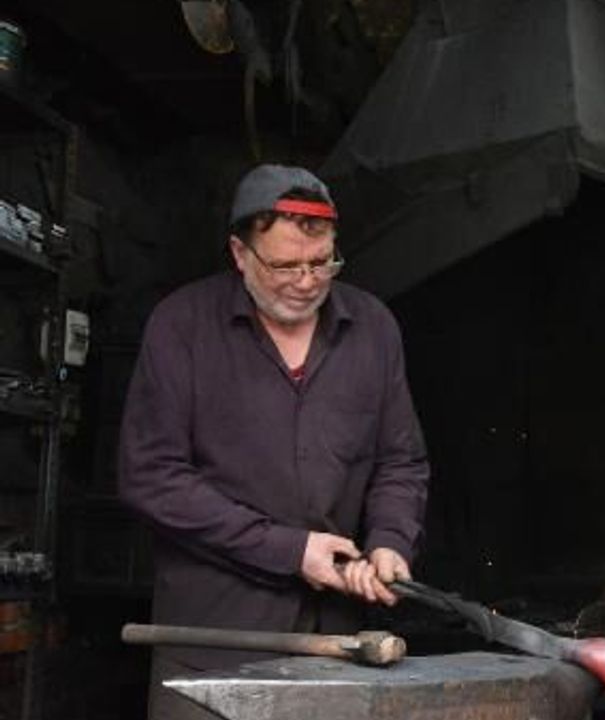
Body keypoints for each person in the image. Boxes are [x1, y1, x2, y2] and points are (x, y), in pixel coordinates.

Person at [118, 164, 430, 720]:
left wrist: (390, 540)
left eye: (322, 262)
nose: (306, 281)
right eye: (285, 265)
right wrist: (290, 550)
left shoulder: (374, 328)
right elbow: (151, 477)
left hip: (336, 648)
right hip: (210, 649)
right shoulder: (182, 325)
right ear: (240, 254)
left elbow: (400, 461)